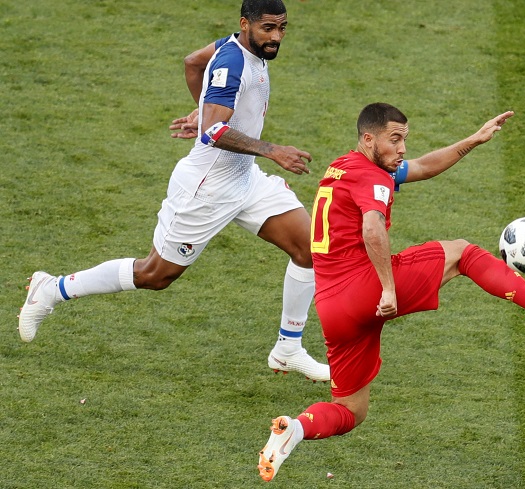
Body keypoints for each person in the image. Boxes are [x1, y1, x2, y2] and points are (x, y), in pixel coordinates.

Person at [257, 103, 525, 481]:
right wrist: (388, 288)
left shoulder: (345, 167)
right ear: (368, 139)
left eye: (404, 139)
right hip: (366, 288)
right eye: (395, 140)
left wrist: (473, 141)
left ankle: (293, 430)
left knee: (350, 409)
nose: (403, 149)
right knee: (462, 253)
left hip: (332, 308)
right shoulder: (373, 178)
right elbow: (372, 228)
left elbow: (425, 166)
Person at [18, 0, 330, 382]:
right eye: (268, 28)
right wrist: (270, 149)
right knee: (155, 274)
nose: (276, 37)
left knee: (311, 248)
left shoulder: (235, 46)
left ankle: (288, 348)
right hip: (206, 188)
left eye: (282, 28)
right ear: (245, 24)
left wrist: (204, 107)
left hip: (245, 179)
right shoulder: (233, 63)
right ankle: (53, 288)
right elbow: (213, 133)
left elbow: (192, 62)